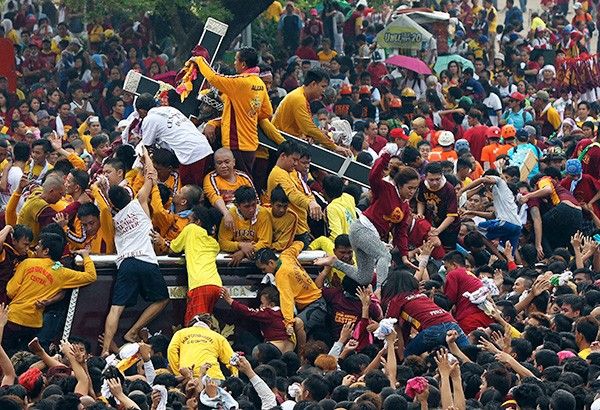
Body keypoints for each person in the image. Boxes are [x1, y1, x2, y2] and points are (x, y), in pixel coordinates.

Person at [101, 148, 169, 356]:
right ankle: (133, 331)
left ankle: (104, 350)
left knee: (116, 308)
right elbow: (152, 175)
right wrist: (147, 156)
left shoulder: (113, 218)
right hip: (146, 260)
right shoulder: (140, 202)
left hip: (126, 263)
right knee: (162, 299)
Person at [317, 153, 420, 287]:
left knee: (364, 277)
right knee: (385, 256)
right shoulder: (386, 189)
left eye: (415, 189)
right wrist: (384, 158)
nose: (412, 192)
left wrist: (405, 256)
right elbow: (373, 176)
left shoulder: (405, 207)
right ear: (400, 185)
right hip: (362, 229)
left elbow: (401, 232)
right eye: (409, 188)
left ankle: (333, 262)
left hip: (372, 236)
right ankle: (379, 290)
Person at [3, 235, 95, 351]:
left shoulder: (27, 263)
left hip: (13, 318)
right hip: (33, 325)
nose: (35, 247)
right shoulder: (62, 272)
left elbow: (10, 291)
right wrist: (86, 256)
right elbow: (91, 276)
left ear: (46, 251)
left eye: (39, 245)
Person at [199, 47, 276, 175]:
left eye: (236, 60)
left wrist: (199, 60)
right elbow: (267, 112)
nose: (234, 63)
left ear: (243, 64)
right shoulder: (260, 83)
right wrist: (249, 114)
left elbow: (213, 78)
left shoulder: (240, 82)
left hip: (236, 144)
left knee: (240, 183)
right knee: (244, 179)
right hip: (251, 143)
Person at [153, 205, 222, 323]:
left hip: (200, 286)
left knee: (194, 327)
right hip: (216, 286)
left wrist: (161, 241)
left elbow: (173, 249)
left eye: (189, 220)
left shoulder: (191, 229)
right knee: (206, 324)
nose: (187, 224)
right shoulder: (214, 243)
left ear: (198, 222)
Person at [382, 270, 469, 358]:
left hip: (432, 330)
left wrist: (401, 356)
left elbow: (389, 325)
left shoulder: (396, 300)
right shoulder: (422, 296)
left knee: (409, 358)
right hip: (452, 324)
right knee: (469, 354)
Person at [131, 93, 213, 187]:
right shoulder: (170, 109)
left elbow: (146, 147)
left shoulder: (149, 119)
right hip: (205, 147)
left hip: (190, 155)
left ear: (141, 111)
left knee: (190, 192)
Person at [273, 68, 352, 156]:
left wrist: (306, 136)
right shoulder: (299, 98)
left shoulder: (302, 96)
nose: (324, 91)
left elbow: (305, 128)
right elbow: (309, 129)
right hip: (279, 147)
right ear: (313, 84)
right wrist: (334, 147)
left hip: (286, 145)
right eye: (323, 86)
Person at [267, 140, 322, 249]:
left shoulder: (293, 172)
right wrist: (310, 204)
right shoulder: (278, 173)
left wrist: (313, 202)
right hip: (288, 230)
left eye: (298, 160)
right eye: (294, 160)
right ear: (283, 156)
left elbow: (307, 191)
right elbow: (292, 194)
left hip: (301, 228)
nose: (296, 163)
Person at [221, 286, 295, 353]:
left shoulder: (269, 313)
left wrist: (230, 300)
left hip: (275, 347)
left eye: (262, 303)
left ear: (271, 305)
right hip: (289, 346)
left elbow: (248, 311)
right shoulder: (284, 312)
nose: (260, 306)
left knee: (242, 333)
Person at [167, 313, 238, 380]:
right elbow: (232, 359)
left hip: (188, 375)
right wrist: (235, 376)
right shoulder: (218, 337)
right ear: (209, 325)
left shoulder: (180, 333)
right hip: (213, 376)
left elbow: (171, 350)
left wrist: (178, 373)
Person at [203, 148, 256, 230]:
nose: (223, 166)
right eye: (219, 163)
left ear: (234, 162)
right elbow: (214, 197)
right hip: (224, 215)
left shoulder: (244, 177)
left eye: (227, 162)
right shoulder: (211, 177)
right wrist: (226, 213)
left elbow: (255, 199)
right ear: (214, 165)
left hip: (245, 213)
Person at [218, 186, 272, 266]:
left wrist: (243, 252)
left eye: (254, 205)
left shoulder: (263, 214)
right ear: (237, 205)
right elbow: (223, 243)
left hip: (256, 258)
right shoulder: (230, 216)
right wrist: (240, 245)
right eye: (247, 206)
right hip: (233, 258)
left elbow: (266, 242)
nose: (251, 209)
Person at [442, 251, 495, 333]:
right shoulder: (471, 275)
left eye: (446, 268)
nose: (446, 272)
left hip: (470, 319)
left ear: (454, 265)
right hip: (488, 317)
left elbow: (448, 302)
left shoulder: (454, 274)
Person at [416, 162, 460, 250]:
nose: (435, 183)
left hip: (448, 227)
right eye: (431, 180)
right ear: (426, 177)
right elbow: (421, 201)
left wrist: (438, 231)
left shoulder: (449, 189)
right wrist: (420, 213)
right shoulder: (422, 184)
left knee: (447, 251)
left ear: (442, 175)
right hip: (431, 223)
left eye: (437, 179)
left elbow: (451, 216)